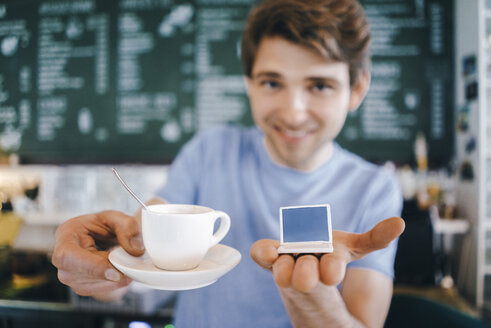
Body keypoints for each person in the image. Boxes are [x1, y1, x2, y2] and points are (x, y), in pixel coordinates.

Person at [52, 0, 405, 327]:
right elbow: (133, 259)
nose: (294, 112)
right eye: (271, 82)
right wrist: (103, 265)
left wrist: (311, 297)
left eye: (320, 86)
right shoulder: (209, 151)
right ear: (249, 84)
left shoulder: (374, 190)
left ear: (357, 89)